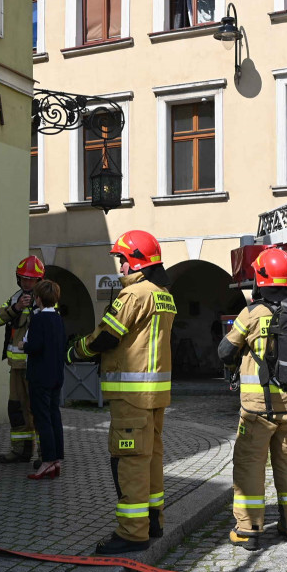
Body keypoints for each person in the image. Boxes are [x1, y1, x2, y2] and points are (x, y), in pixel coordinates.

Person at [66, 230, 176, 554]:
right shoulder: (163, 294)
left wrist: (75, 350)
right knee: (151, 458)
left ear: (135, 262)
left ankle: (131, 532)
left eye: (121, 260)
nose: (119, 268)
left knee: (129, 461)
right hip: (155, 395)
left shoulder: (133, 295)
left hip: (131, 397)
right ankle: (153, 520)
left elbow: (106, 337)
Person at [217, 248, 287, 551]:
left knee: (249, 466)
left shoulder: (252, 313)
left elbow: (224, 351)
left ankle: (249, 530)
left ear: (261, 278)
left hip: (258, 410)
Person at [0, 255, 44, 465]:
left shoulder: (46, 300)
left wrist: (33, 308)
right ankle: (21, 451)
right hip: (16, 367)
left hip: (36, 366)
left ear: (39, 281)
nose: (27, 283)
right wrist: (15, 309)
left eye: (31, 279)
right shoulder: (15, 299)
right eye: (23, 278)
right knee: (17, 409)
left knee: (37, 410)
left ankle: (44, 454)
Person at [25, 280, 66, 480]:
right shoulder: (58, 318)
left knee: (43, 419)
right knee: (54, 416)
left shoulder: (39, 319)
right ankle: (57, 459)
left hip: (40, 375)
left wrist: (24, 345)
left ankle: (48, 460)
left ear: (38, 298)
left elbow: (34, 346)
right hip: (57, 374)